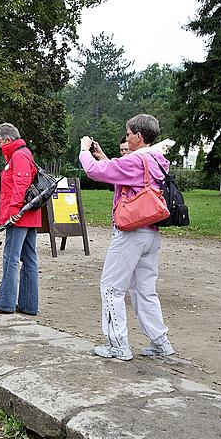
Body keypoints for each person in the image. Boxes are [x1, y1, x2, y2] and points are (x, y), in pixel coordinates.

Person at [79, 114, 175, 361]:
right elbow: (127, 176)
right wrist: (104, 157)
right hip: (151, 230)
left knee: (111, 287)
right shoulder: (156, 159)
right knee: (144, 289)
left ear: (138, 137)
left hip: (130, 231)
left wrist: (84, 151)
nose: (127, 137)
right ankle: (159, 342)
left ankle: (117, 344)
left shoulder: (136, 160)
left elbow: (94, 171)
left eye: (129, 133)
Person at [0, 123, 40, 316]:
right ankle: (28, 305)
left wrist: (14, 212)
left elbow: (21, 184)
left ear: (8, 139)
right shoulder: (23, 154)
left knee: (11, 258)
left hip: (19, 216)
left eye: (0, 142)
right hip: (28, 215)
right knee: (29, 259)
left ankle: (6, 302)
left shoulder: (18, 155)